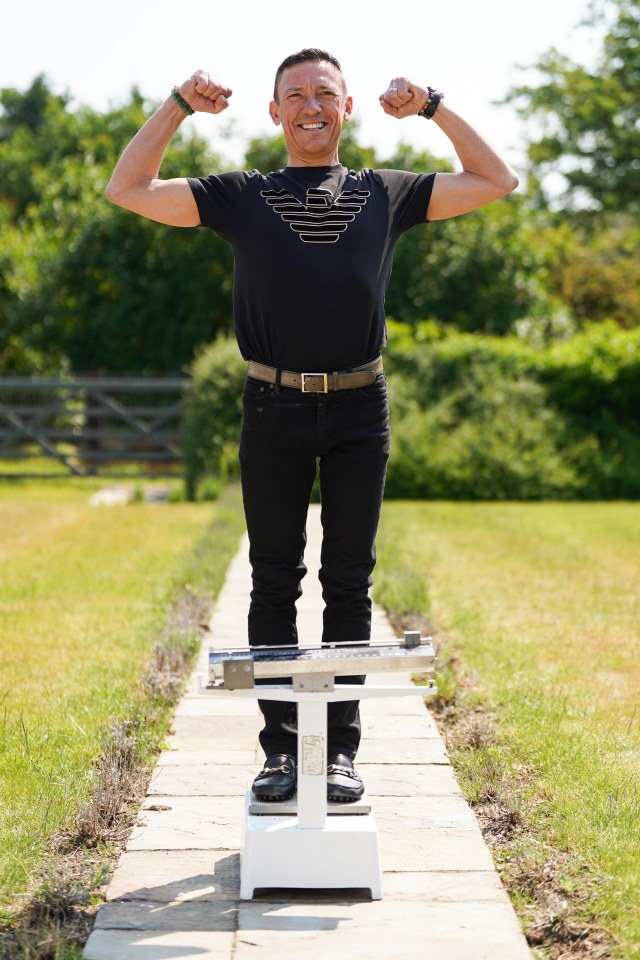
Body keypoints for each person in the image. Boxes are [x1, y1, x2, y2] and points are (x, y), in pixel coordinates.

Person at [105, 48, 518, 803]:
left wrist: (432, 106)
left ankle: (338, 754)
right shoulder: (241, 196)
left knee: (349, 583)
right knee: (273, 581)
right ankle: (281, 753)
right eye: (294, 94)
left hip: (362, 408)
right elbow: (126, 187)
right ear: (274, 114)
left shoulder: (386, 193)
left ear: (347, 106)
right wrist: (178, 105)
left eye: (324, 92)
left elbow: (498, 180)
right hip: (273, 408)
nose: (310, 105)